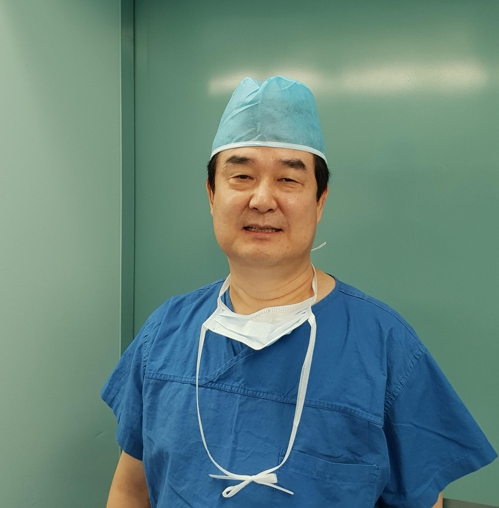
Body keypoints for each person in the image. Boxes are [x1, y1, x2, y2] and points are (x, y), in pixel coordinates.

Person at [102, 76, 496, 508]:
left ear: (320, 200)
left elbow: (423, 501)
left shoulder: (382, 346)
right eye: (241, 176)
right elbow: (130, 490)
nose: (262, 199)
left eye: (289, 180)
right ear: (212, 194)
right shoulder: (165, 333)